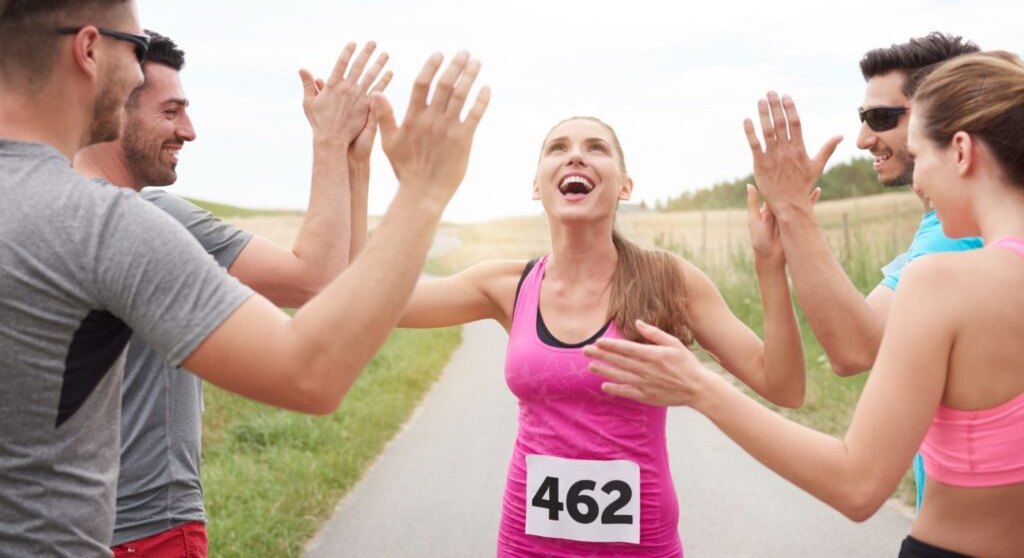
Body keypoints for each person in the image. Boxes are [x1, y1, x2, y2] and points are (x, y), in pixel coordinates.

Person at [0, 0, 489, 555]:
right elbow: (308, 372)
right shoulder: (103, 225)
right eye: (135, 44)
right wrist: (423, 190)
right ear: (91, 50)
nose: (135, 67)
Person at [587, 51, 1024, 557]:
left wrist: (698, 386)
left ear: (963, 151)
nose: (919, 182)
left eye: (922, 154)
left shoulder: (942, 282)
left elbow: (857, 485)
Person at [393, 115, 807, 556]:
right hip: (525, 545)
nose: (575, 154)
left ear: (625, 187)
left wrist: (769, 268)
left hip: (641, 547)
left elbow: (782, 384)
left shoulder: (667, 280)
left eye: (596, 147)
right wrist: (350, 163)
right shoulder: (505, 285)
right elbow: (371, 302)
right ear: (537, 186)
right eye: (558, 147)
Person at [72, 31, 390, 555]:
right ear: (115, 115)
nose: (189, 131)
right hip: (148, 529)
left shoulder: (48, 206)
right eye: (171, 111)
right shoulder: (150, 216)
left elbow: (340, 284)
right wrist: (330, 143)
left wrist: (354, 163)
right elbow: (315, 282)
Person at [740, 33, 983, 507]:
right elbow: (866, 330)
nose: (863, 138)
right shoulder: (947, 223)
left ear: (946, 117)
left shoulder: (963, 230)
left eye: (881, 118)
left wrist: (793, 209)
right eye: (862, 118)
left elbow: (855, 348)